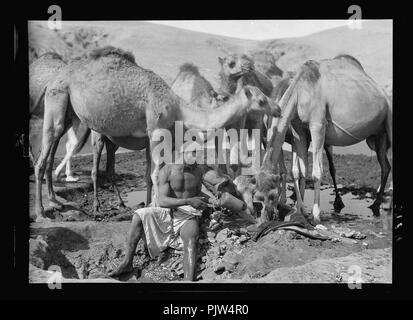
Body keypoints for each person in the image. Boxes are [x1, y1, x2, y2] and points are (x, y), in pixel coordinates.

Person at [109, 150, 211, 281]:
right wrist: (187, 201)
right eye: (194, 156)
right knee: (139, 215)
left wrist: (212, 201)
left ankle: (188, 280)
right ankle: (127, 262)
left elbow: (198, 193)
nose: (197, 161)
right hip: (166, 211)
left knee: (191, 238)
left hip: (188, 215)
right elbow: (162, 201)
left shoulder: (197, 171)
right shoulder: (167, 170)